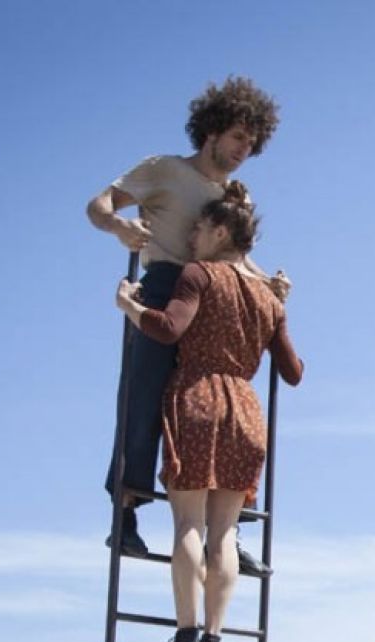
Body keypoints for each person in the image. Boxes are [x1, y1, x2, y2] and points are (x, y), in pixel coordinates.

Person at [88, 75, 285, 575]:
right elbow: (98, 205)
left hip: (216, 297)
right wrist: (120, 227)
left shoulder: (234, 195)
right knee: (143, 400)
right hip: (165, 285)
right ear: (213, 130)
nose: (245, 149)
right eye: (239, 137)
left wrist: (269, 284)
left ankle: (228, 530)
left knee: (223, 412)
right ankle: (126, 515)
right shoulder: (164, 169)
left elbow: (238, 257)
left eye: (252, 143)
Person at [114, 183, 304, 642]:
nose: (192, 237)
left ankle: (187, 638)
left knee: (188, 528)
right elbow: (293, 371)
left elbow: (169, 329)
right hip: (245, 412)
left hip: (197, 399)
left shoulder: (198, 274)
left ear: (221, 231)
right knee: (224, 534)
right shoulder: (268, 299)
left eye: (198, 229)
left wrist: (129, 306)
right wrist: (279, 309)